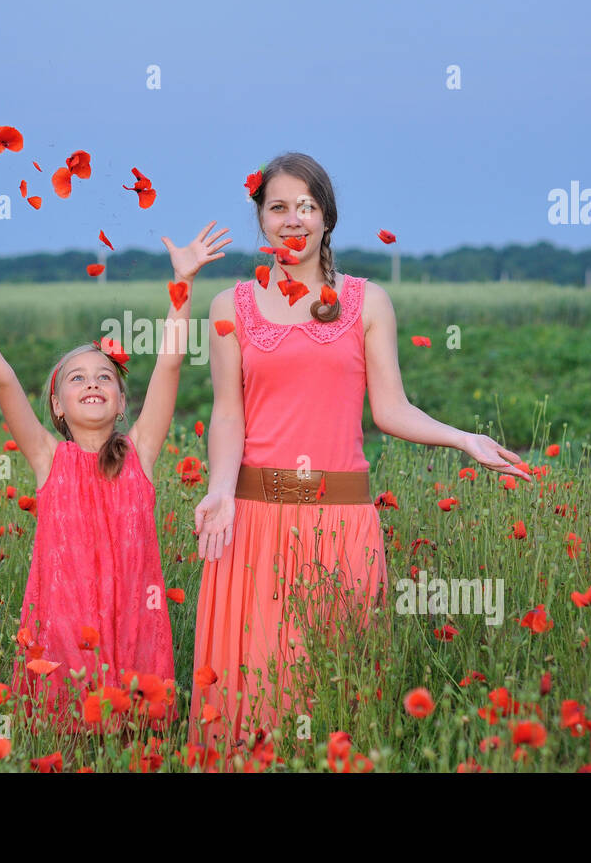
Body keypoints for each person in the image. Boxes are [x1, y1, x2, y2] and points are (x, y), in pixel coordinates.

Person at [189, 152, 531, 755]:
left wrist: (463, 439)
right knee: (256, 697)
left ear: (327, 217)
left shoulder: (367, 302)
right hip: (254, 520)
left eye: (306, 206)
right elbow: (228, 414)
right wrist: (219, 489)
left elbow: (390, 409)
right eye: (278, 208)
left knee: (334, 693)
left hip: (341, 522)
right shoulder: (229, 307)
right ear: (261, 219)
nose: (292, 219)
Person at [0, 221, 231, 733]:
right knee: (68, 735)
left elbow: (169, 365)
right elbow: (3, 378)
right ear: (57, 403)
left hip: (134, 625)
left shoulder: (140, 451)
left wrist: (182, 284)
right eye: (77, 378)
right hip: (63, 631)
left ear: (122, 403)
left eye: (104, 378)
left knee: (137, 738)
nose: (93, 383)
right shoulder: (47, 458)